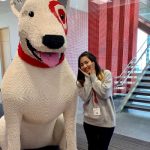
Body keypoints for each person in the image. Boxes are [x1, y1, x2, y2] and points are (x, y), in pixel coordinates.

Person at [76, 51, 116, 150]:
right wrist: (88, 78)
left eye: (87, 62)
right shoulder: (80, 82)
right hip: (89, 122)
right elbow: (86, 97)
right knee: (92, 147)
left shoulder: (106, 74)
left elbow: (104, 94)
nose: (85, 66)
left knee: (102, 148)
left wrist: (93, 76)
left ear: (93, 62)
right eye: (81, 64)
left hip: (106, 122)